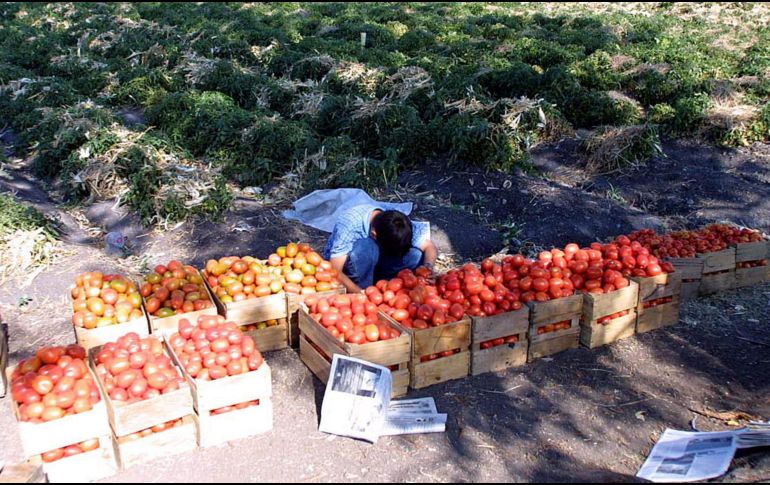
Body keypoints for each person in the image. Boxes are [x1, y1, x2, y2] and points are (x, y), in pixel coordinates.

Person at [324, 205, 438, 292]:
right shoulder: (350, 225)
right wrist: (360, 294)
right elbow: (334, 270)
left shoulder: (397, 221)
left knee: (415, 255)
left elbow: (429, 246)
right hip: (353, 266)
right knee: (366, 248)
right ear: (374, 234)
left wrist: (428, 268)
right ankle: (364, 286)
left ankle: (385, 285)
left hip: (380, 260)